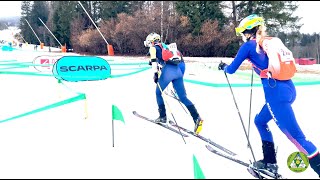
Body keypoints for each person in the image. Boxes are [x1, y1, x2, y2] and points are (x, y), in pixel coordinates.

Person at [218, 14, 320, 177]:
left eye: (244, 32)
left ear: (249, 31)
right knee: (260, 121)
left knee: (297, 138)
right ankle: (270, 162)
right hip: (288, 88)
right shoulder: (268, 43)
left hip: (275, 95)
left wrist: (223, 67)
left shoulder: (249, 46)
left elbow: (231, 69)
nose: (243, 36)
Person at [144, 32, 203, 134]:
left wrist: (155, 74)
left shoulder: (153, 48)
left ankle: (162, 116)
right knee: (183, 97)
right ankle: (196, 117)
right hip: (178, 71)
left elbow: (154, 62)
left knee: (158, 93)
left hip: (169, 72)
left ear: (151, 42)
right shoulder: (165, 46)